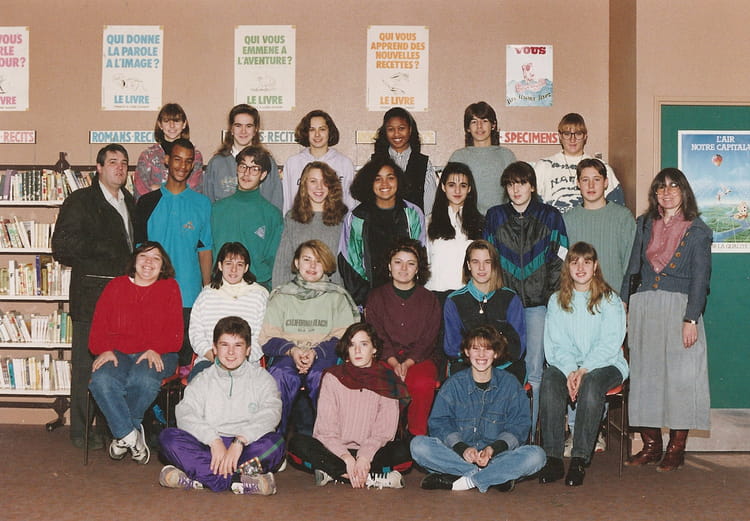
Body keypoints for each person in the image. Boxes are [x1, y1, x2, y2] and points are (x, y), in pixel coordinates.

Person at [621, 168, 712, 473]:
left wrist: (691, 318)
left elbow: (701, 279)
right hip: (645, 306)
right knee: (645, 377)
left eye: (673, 186)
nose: (667, 192)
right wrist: (625, 304)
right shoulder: (644, 223)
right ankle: (651, 446)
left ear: (684, 191)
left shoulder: (698, 231)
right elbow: (633, 268)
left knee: (681, 379)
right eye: (661, 187)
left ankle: (676, 448)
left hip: (680, 310)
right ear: (655, 194)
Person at [51, 143, 135, 450]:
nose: (119, 167)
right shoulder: (81, 201)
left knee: (114, 366)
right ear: (98, 168)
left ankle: (108, 429)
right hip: (90, 297)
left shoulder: (130, 201)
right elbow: (61, 247)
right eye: (112, 162)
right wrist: (105, 248)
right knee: (86, 366)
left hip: (122, 299)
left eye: (124, 163)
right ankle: (81, 431)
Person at [484, 161, 568, 435]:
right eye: (510, 184)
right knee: (500, 366)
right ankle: (498, 433)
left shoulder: (551, 216)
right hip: (504, 305)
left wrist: (550, 299)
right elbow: (488, 260)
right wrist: (496, 298)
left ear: (532, 185)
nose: (516, 189)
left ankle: (528, 434)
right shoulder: (495, 216)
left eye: (521, 183)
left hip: (538, 306)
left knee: (535, 370)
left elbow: (560, 260)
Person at [410, 325, 546, 492]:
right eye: (475, 348)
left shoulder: (511, 384)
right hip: (458, 456)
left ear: (496, 353)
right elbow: (439, 424)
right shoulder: (453, 385)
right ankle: (494, 477)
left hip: (498, 457)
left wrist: (492, 449)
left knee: (537, 456)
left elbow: (519, 426)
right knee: (418, 445)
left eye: (487, 349)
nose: (481, 355)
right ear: (467, 352)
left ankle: (466, 480)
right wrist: (462, 448)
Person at [159, 316, 284, 495]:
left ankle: (198, 477)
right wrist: (213, 440)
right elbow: (185, 413)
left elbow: (271, 413)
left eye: (238, 345)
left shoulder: (262, 378)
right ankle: (237, 480)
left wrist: (240, 441)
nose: (231, 352)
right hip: (209, 446)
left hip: (245, 446)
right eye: (224, 345)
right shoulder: (203, 379)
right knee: (168, 438)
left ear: (248, 350)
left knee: (276, 444)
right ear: (215, 349)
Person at [537, 242, 628, 486]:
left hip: (606, 364)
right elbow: (557, 344)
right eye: (574, 262)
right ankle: (553, 458)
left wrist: (584, 369)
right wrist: (571, 371)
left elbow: (610, 344)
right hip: (569, 365)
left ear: (595, 266)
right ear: (567, 267)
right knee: (549, 379)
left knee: (591, 383)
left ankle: (579, 459)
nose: (580, 267)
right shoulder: (556, 300)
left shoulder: (610, 299)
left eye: (586, 262)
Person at [562, 157, 635, 455]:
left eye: (596, 179)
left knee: (599, 365)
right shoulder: (568, 219)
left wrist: (625, 300)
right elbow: (563, 264)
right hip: (575, 305)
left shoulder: (623, 217)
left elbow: (631, 264)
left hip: (611, 307)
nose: (591, 185)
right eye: (585, 179)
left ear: (606, 183)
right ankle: (575, 430)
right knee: (574, 362)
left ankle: (594, 428)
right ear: (578, 184)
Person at [88, 242, 182, 465]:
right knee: (101, 380)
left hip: (160, 352)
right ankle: (131, 434)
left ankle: (122, 434)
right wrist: (104, 349)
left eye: (156, 258)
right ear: (134, 260)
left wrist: (155, 348)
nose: (148, 262)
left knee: (144, 379)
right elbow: (99, 325)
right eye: (143, 256)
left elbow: (176, 333)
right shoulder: (116, 286)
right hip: (118, 353)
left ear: (163, 265)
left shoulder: (170, 287)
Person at [287, 322, 411, 489]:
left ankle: (335, 473)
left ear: (374, 349)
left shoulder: (387, 380)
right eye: (352, 345)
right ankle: (368, 476)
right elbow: (325, 431)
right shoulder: (333, 377)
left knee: (405, 450)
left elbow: (383, 433)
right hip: (336, 452)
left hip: (373, 452)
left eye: (364, 344)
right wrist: (346, 458)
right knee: (296, 444)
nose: (357, 350)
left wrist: (364, 457)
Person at [260, 240, 360, 434]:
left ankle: (328, 441)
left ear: (326, 265)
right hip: (288, 354)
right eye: (307, 259)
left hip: (324, 355)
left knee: (323, 378)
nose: (313, 266)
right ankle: (273, 441)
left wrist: (315, 352)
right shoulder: (281, 295)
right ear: (297, 263)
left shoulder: (337, 297)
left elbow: (345, 337)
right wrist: (293, 350)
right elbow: (267, 338)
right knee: (279, 376)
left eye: (318, 261)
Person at [135, 138, 213, 367]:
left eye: (188, 161)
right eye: (177, 159)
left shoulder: (202, 204)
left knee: (184, 365)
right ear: (167, 160)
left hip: (188, 295)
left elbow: (205, 249)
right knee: (153, 363)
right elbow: (138, 252)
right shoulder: (146, 203)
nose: (182, 166)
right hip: (153, 296)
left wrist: (207, 290)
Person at [365, 238, 440, 437]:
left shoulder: (430, 299)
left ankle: (417, 437)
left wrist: (408, 362)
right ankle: (387, 437)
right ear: (389, 266)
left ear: (418, 269)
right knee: (385, 383)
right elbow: (376, 333)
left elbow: (429, 338)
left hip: (419, 359)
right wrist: (392, 361)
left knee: (422, 384)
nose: (404, 268)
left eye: (411, 263)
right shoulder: (376, 297)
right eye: (398, 262)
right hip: (385, 358)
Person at [338, 155, 426, 306]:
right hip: (369, 299)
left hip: (407, 296)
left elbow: (419, 257)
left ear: (398, 180)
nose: (384, 183)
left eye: (390, 178)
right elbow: (350, 263)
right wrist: (367, 301)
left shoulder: (412, 214)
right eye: (377, 179)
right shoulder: (357, 217)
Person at [443, 240, 526, 383]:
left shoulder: (510, 298)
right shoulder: (454, 301)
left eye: (487, 262)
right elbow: (452, 348)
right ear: (468, 265)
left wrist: (490, 359)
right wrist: (479, 361)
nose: (481, 268)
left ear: (494, 265)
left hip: (504, 366)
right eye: (475, 262)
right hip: (467, 366)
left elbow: (517, 348)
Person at [189, 242, 268, 380]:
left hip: (246, 364)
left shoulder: (259, 295)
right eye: (228, 263)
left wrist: (240, 360)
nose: (233, 269)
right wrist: (215, 358)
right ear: (220, 266)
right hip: (210, 361)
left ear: (246, 268)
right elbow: (196, 334)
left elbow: (262, 337)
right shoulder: (206, 295)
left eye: (239, 264)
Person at [211, 145, 283, 290]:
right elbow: (210, 251)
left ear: (263, 175)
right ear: (236, 169)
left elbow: (274, 260)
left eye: (254, 169)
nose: (246, 173)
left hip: (257, 287)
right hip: (221, 287)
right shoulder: (217, 209)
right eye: (243, 166)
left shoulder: (272, 215)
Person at [273, 161, 347, 288]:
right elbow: (283, 263)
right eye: (313, 181)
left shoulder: (343, 219)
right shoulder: (292, 218)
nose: (319, 187)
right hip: (298, 293)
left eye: (324, 182)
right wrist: (280, 293)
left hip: (333, 292)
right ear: (304, 184)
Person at [533, 113, 624, 213]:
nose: (572, 139)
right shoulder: (544, 166)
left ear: (585, 136)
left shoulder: (600, 166)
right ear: (560, 136)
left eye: (578, 133)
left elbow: (617, 209)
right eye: (567, 134)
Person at [203, 104, 283, 210]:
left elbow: (276, 205)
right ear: (231, 129)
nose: (243, 131)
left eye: (249, 126)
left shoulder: (268, 162)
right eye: (238, 126)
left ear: (255, 130)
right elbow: (207, 205)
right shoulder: (216, 163)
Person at [425, 162, 484, 300]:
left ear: (469, 189)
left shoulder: (480, 222)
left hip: (469, 295)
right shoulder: (428, 221)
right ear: (443, 187)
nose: (457, 191)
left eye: (463, 185)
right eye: (452, 185)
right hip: (435, 294)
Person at [448, 101, 517, 213]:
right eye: (474, 122)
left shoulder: (506, 155)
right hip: (467, 219)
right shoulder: (458, 157)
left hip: (501, 218)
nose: (479, 126)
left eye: (484, 121)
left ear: (493, 125)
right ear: (468, 128)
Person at [282, 109, 356, 213]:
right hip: (300, 221)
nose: (317, 134)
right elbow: (287, 203)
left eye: (322, 129)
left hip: (336, 221)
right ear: (306, 133)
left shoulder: (344, 163)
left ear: (329, 132)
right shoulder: (292, 163)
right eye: (312, 129)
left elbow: (350, 203)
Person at [372, 106, 437, 212]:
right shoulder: (374, 162)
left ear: (410, 130)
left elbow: (429, 210)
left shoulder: (423, 164)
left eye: (401, 128)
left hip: (414, 221)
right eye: (391, 129)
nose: (396, 134)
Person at [134, 103, 204, 199]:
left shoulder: (195, 156)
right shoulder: (147, 156)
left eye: (176, 121)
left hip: (185, 206)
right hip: (155, 207)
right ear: (160, 125)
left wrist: (158, 188)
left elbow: (194, 190)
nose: (172, 126)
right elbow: (141, 193)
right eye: (166, 121)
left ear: (184, 124)